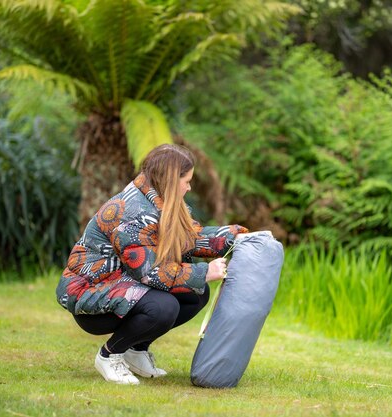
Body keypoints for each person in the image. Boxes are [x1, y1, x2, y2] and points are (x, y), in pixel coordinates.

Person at [56, 144, 248, 385]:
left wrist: (237, 237)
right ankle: (110, 355)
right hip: (92, 293)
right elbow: (150, 272)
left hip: (125, 283)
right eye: (186, 181)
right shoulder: (132, 212)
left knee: (195, 294)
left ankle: (136, 350)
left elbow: (191, 237)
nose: (189, 187)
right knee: (163, 307)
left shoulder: (164, 201)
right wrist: (204, 271)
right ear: (169, 179)